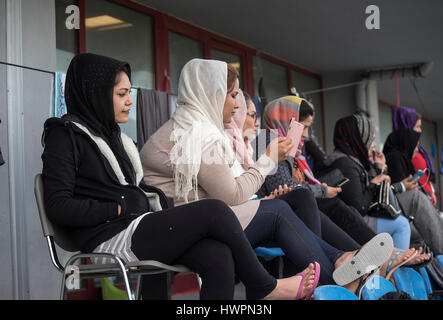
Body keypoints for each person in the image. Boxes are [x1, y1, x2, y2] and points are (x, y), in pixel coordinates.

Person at [41, 53, 324, 301]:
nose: (130, 101)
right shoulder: (64, 136)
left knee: (218, 255)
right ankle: (264, 287)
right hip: (110, 238)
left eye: (130, 92)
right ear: (97, 95)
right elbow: (58, 205)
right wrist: (117, 208)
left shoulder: (113, 136)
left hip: (136, 225)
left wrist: (135, 206)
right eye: (121, 94)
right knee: (214, 209)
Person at [140, 58, 423, 291]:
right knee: (280, 210)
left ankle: (340, 266)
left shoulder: (193, 127)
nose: (238, 106)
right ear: (211, 94)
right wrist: (268, 160)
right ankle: (337, 281)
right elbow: (231, 194)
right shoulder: (201, 133)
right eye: (233, 95)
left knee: (296, 200)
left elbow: (228, 189)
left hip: (200, 217)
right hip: (189, 224)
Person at [257, 97, 379, 247]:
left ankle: (367, 252)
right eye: (303, 127)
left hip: (287, 209)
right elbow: (284, 187)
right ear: (289, 121)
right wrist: (322, 190)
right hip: (277, 212)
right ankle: (367, 253)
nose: (306, 135)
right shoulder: (269, 141)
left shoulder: (285, 145)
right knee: (332, 206)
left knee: (338, 208)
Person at [318, 113, 414, 250]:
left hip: (353, 219)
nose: (374, 145)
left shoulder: (351, 160)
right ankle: (394, 267)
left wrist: (379, 168)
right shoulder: (345, 164)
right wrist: (375, 182)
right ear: (357, 139)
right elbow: (361, 206)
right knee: (402, 225)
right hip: (350, 223)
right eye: (370, 139)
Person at [383, 128, 443, 255]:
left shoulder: (402, 159)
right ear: (407, 143)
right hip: (399, 213)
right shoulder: (395, 158)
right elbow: (402, 193)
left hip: (405, 212)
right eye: (415, 145)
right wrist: (404, 186)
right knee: (417, 199)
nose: (417, 149)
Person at [393, 107, 437, 206]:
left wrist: (431, 191)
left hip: (423, 197)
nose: (420, 131)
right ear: (407, 127)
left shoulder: (417, 150)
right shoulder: (398, 155)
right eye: (417, 126)